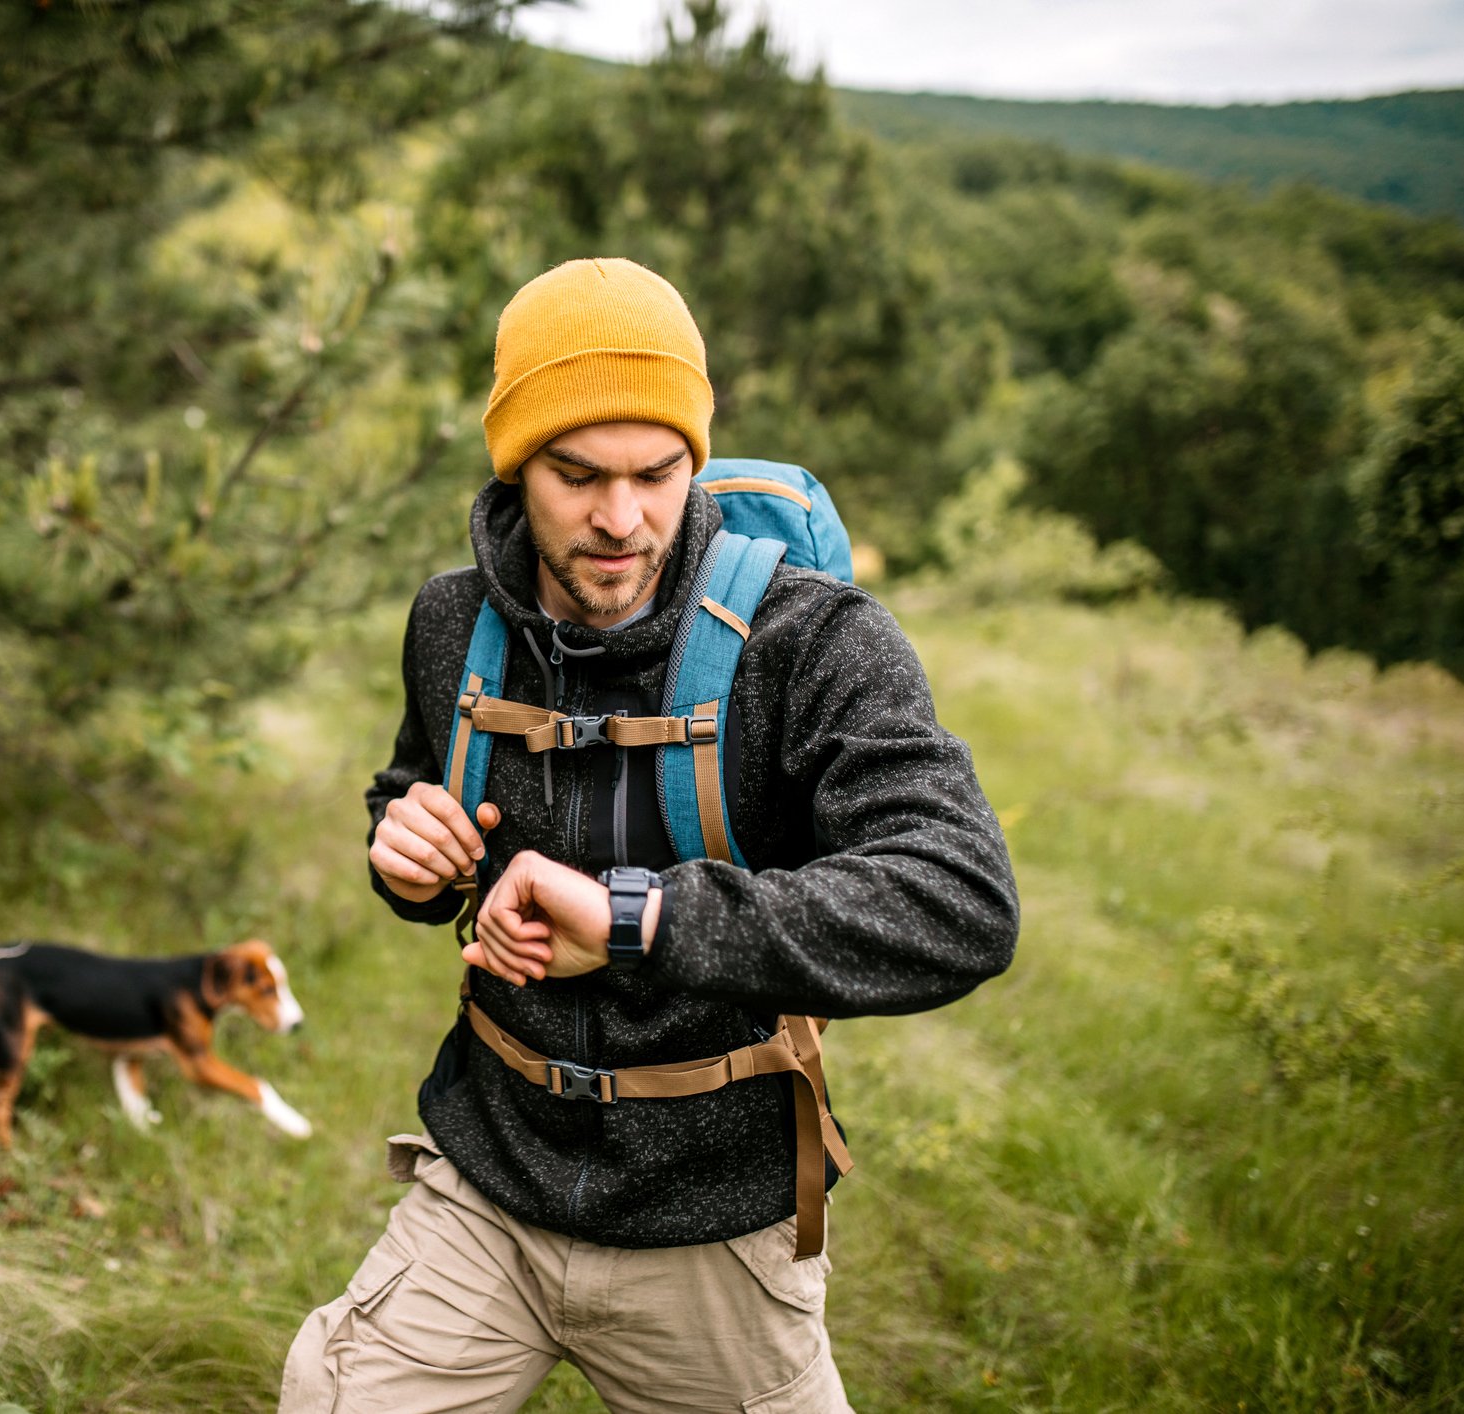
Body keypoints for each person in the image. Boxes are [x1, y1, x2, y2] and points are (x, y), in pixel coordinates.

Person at [279, 258, 1020, 1413]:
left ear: (697, 459)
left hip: (715, 1220)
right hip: (490, 1179)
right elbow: (417, 784)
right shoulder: (451, 622)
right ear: (514, 460)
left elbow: (960, 899)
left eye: (657, 473)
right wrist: (406, 850)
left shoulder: (811, 640)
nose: (621, 521)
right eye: (576, 475)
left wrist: (639, 919)